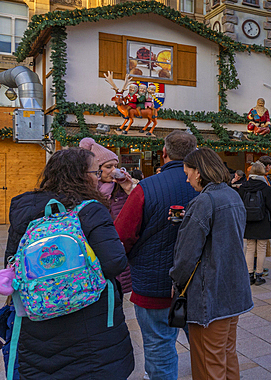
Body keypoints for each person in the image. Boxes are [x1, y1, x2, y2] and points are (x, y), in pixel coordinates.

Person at [6, 147, 133, 379]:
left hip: (39, 314)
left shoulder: (24, 208)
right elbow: (115, 263)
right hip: (90, 319)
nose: (98, 177)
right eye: (95, 172)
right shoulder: (90, 210)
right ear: (80, 175)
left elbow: (12, 260)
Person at [116, 129, 199, 380]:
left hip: (154, 283)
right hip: (198, 282)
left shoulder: (147, 188)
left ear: (163, 153)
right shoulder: (208, 188)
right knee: (204, 346)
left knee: (159, 345)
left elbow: (123, 235)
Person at [171, 147, 253, 380]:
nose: (186, 179)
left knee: (209, 363)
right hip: (233, 289)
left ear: (199, 172)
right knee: (226, 355)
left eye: (188, 172)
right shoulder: (231, 195)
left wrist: (176, 281)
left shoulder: (205, 201)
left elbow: (186, 256)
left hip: (210, 293)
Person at [82, 137, 138, 294]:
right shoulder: (85, 194)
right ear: (96, 168)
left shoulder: (120, 190)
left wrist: (129, 189)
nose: (114, 170)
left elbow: (142, 211)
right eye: (108, 166)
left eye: (115, 166)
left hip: (118, 254)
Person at [239, 161, 271, 284]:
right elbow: (270, 205)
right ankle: (259, 275)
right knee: (261, 247)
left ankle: (249, 275)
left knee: (249, 247)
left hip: (248, 220)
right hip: (262, 219)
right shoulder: (266, 187)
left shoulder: (243, 186)